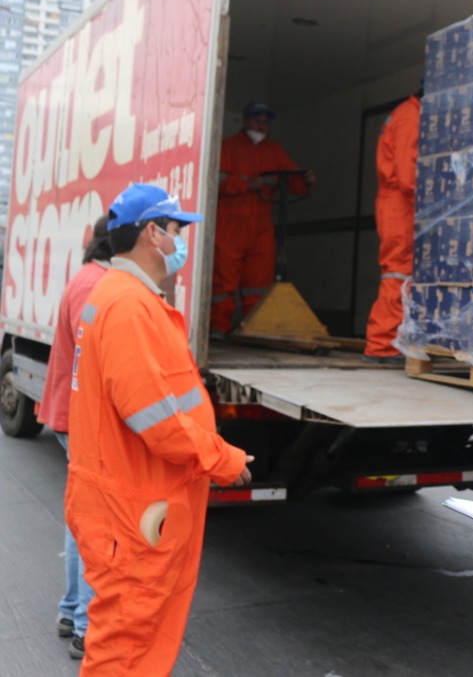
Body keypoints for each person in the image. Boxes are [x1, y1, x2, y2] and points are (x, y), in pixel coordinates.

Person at [65, 183, 253, 675]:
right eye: (176, 230)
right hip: (134, 513)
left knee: (136, 643)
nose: (180, 241)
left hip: (134, 506)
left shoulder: (124, 298)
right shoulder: (128, 306)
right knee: (125, 648)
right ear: (152, 233)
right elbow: (157, 420)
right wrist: (223, 459)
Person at [37, 215, 112, 660]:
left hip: (73, 416)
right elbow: (91, 365)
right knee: (94, 527)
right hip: (82, 420)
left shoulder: (88, 278)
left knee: (79, 522)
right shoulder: (94, 286)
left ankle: (70, 611)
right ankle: (85, 624)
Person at [211, 101, 314, 335]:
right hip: (230, 226)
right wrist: (247, 184)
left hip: (260, 228)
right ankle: (218, 328)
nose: (261, 126)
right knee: (224, 283)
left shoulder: (273, 151)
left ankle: (252, 329)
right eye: (257, 121)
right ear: (245, 121)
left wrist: (305, 179)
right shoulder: (228, 147)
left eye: (265, 122)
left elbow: (292, 179)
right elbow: (214, 181)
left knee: (257, 285)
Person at [364, 90, 422, 364]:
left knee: (399, 273)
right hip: (401, 205)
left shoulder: (404, 113)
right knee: (397, 273)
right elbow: (408, 176)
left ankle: (387, 343)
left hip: (397, 203)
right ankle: (382, 346)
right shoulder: (411, 116)